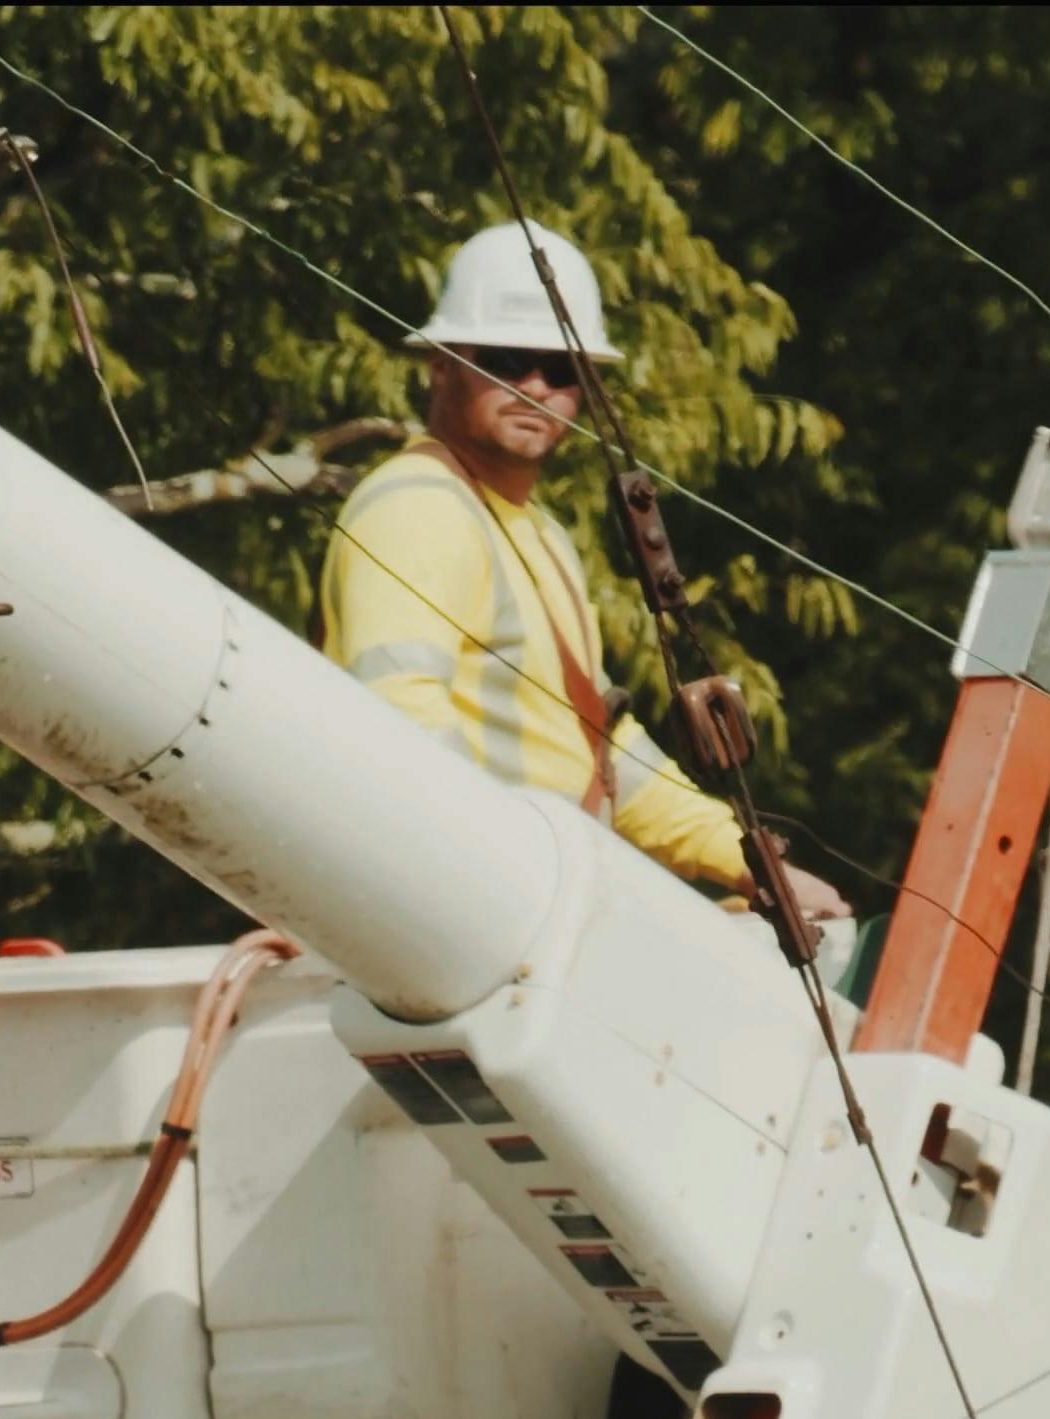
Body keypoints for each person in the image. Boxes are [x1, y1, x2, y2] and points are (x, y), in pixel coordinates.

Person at [320, 220, 849, 927]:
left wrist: (748, 857)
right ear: (440, 363)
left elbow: (604, 753)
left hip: (533, 912)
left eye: (563, 370)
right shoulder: (418, 507)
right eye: (507, 359)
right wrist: (487, 882)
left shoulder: (540, 533)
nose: (536, 386)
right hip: (463, 915)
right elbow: (402, 724)